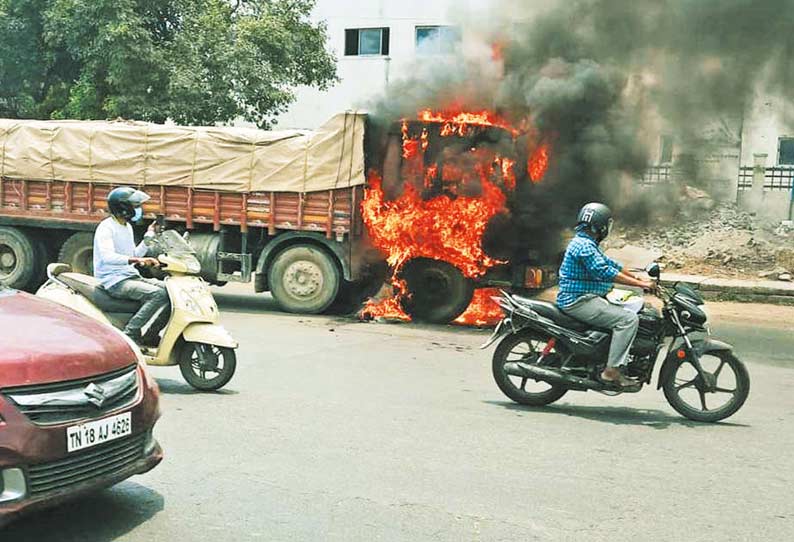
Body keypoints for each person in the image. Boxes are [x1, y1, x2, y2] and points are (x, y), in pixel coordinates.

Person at [556, 202, 655, 387]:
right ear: (601, 225)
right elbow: (605, 272)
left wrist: (638, 277)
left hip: (586, 297)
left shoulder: (586, 243)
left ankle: (604, 354)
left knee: (630, 309)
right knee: (628, 320)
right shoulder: (584, 246)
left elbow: (612, 264)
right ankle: (612, 371)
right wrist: (641, 284)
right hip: (579, 301)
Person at [93, 186, 170, 346]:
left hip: (129, 275)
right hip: (113, 280)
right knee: (157, 294)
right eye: (135, 206)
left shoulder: (126, 227)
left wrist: (149, 236)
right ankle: (131, 332)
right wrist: (136, 261)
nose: (139, 209)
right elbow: (108, 257)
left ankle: (151, 334)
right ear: (123, 208)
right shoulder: (106, 227)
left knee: (172, 292)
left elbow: (134, 253)